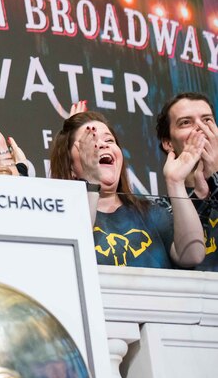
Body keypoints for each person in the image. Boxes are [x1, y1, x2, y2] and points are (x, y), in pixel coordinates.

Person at [50, 111, 205, 268]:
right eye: (89, 142)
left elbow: (192, 255)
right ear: (71, 168)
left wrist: (175, 182)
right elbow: (66, 262)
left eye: (109, 140)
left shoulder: (151, 212)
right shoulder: (62, 219)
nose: (102, 144)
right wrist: (91, 182)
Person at [156, 92, 218, 271]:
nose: (200, 128)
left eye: (207, 120)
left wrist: (215, 174)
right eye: (186, 122)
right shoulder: (158, 209)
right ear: (168, 143)